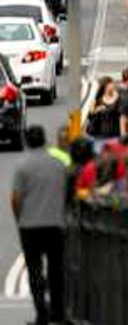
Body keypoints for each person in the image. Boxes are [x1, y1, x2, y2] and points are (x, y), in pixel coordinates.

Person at [11, 125, 67, 325]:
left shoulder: (22, 166)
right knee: (57, 270)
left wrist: (20, 218)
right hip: (55, 223)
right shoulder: (59, 164)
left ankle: (41, 314)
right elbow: (66, 193)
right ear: (45, 140)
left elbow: (16, 198)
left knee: (34, 270)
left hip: (30, 225)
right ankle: (59, 314)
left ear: (26, 141)